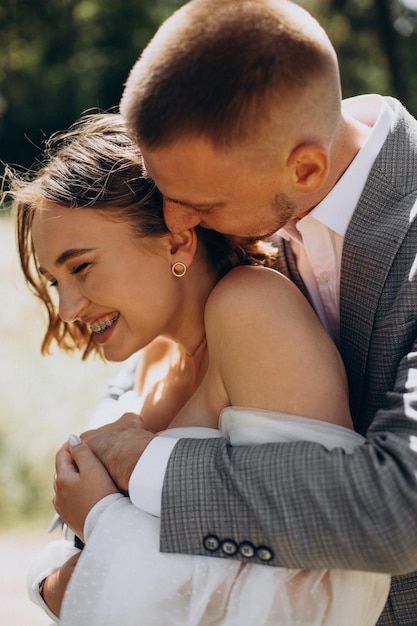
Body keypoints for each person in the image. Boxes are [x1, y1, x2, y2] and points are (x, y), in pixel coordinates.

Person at [68, 1, 417, 624]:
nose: (178, 224)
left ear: (305, 168)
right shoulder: (252, 190)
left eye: (197, 204)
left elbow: (400, 509)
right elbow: (161, 358)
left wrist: (141, 469)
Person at [11, 112, 390, 625]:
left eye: (81, 267)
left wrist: (65, 572)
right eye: (56, 282)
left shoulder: (250, 310)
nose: (68, 308)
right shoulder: (155, 359)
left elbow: (321, 587)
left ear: (177, 241)